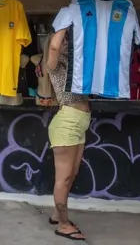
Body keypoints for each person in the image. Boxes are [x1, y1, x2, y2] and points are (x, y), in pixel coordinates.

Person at [46, 30, 90, 241]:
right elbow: (54, 46)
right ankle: (63, 225)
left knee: (71, 175)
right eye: (62, 40)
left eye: (67, 40)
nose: (65, 43)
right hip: (67, 122)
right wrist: (64, 23)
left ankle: (57, 214)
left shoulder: (74, 62)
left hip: (79, 122)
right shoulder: (54, 64)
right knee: (63, 179)